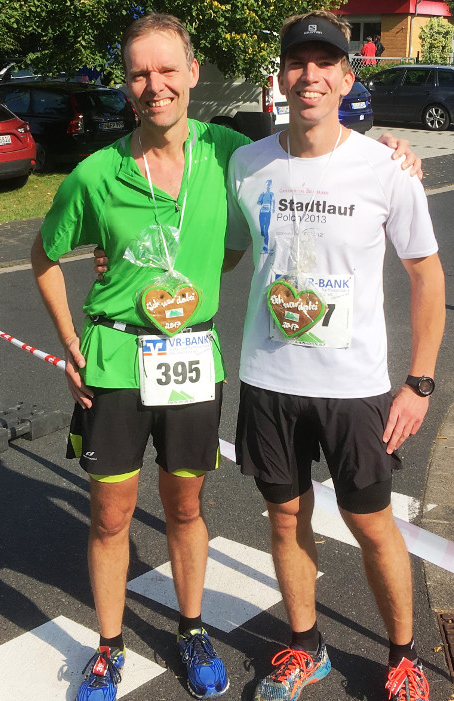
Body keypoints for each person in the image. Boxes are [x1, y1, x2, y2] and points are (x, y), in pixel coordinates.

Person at [53, 13, 419, 701]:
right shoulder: (165, 164)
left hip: (278, 372)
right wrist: (85, 326)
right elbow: (59, 252)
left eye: (168, 70)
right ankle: (133, 648)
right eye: (139, 73)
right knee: (156, 515)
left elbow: (413, 259)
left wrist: (396, 147)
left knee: (224, 509)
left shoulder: (253, 152)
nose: (154, 85)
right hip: (188, 369)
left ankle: (388, 654)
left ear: (193, 75)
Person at [224, 11, 444, 701]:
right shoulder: (246, 163)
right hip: (268, 378)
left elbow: (427, 275)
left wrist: (419, 383)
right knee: (285, 517)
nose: (310, 75)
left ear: (348, 78)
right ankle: (305, 646)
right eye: (298, 63)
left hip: (355, 387)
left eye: (327, 64)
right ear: (282, 76)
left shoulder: (386, 167)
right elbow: (224, 253)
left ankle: (403, 654)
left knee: (371, 522)